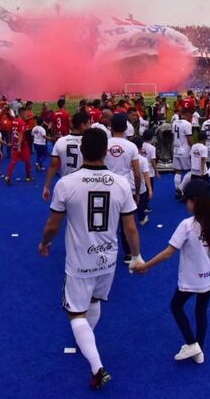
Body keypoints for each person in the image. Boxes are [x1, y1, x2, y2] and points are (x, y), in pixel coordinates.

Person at [38, 128, 143, 390]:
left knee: (75, 312)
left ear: (83, 150)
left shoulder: (67, 183)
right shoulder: (120, 184)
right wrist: (137, 256)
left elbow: (52, 225)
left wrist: (44, 243)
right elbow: (130, 228)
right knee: (95, 300)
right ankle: (87, 338)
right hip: (108, 257)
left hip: (80, 259)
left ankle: (97, 367)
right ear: (106, 151)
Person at [134, 179, 210, 365]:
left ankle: (192, 344)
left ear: (195, 201)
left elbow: (168, 253)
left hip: (192, 279)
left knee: (176, 306)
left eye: (187, 201)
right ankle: (200, 349)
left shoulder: (187, 225)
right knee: (201, 310)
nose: (186, 205)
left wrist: (145, 265)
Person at [105, 114, 141, 263]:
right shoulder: (131, 146)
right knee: (127, 222)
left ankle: (105, 250)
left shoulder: (105, 144)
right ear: (126, 128)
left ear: (111, 127)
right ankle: (129, 254)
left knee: (108, 221)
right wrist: (137, 192)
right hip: (125, 187)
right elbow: (137, 174)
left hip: (106, 185)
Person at [42, 112, 91, 201]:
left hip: (66, 183)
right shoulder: (89, 141)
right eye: (89, 123)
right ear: (83, 125)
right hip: (84, 184)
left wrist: (46, 186)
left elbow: (53, 165)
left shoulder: (60, 141)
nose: (90, 126)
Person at [5, 107, 33, 185]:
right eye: (25, 113)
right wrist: (19, 146)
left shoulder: (14, 121)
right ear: (21, 113)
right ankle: (28, 176)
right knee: (27, 160)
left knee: (13, 161)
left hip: (14, 143)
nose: (26, 115)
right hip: (22, 145)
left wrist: (11, 141)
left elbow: (11, 132)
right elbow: (20, 134)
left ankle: (8, 176)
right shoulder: (22, 123)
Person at [131, 137, 153, 226]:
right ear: (141, 147)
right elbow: (146, 174)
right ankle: (142, 219)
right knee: (141, 204)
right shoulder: (142, 160)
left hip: (128, 186)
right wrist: (150, 189)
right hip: (140, 187)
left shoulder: (127, 157)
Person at [172, 108, 194, 197]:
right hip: (184, 150)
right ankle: (180, 188)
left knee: (178, 172)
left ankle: (178, 191)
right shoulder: (187, 124)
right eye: (190, 114)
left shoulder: (174, 123)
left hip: (176, 149)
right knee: (192, 170)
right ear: (187, 113)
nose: (191, 116)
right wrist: (195, 147)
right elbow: (189, 139)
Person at [140, 129, 159, 212]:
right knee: (148, 188)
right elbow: (153, 160)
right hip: (149, 171)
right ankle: (145, 206)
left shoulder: (140, 145)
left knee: (142, 187)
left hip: (140, 169)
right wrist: (156, 171)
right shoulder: (152, 148)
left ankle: (140, 204)